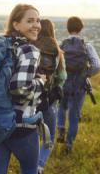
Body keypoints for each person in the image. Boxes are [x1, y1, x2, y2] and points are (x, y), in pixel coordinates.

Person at [0, 4, 46, 174]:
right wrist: (40, 82)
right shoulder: (29, 50)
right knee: (29, 170)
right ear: (16, 24)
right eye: (30, 21)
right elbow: (19, 88)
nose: (36, 25)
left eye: (38, 20)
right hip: (22, 126)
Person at [57, 16, 100, 154]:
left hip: (63, 81)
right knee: (74, 115)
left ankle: (60, 131)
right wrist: (85, 74)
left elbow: (55, 64)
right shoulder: (87, 46)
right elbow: (97, 66)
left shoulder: (61, 44)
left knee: (61, 108)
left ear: (67, 28)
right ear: (81, 29)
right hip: (79, 84)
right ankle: (69, 145)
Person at [34, 19, 67, 174]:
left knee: (31, 134)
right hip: (48, 99)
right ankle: (39, 166)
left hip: (29, 98)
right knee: (49, 137)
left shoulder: (30, 45)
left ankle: (29, 164)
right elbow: (62, 77)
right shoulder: (56, 50)